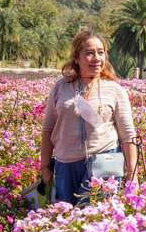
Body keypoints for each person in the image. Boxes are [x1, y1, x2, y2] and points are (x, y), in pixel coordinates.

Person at [40, 30, 138, 206]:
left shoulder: (115, 90)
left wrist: (132, 175)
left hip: (104, 161)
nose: (96, 58)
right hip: (65, 164)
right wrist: (45, 168)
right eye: (89, 53)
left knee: (92, 219)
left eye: (101, 52)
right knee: (68, 220)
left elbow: (128, 135)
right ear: (76, 58)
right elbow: (48, 128)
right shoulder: (60, 87)